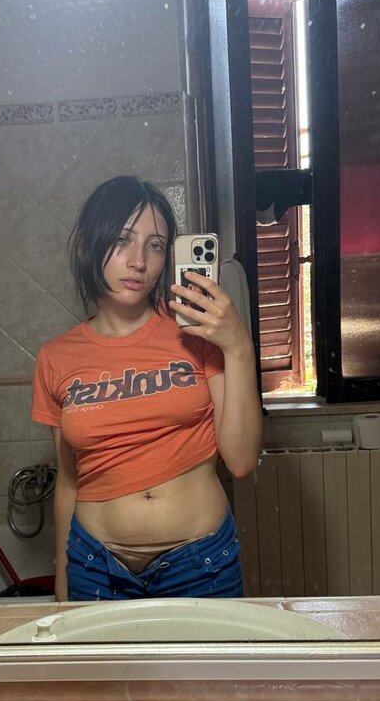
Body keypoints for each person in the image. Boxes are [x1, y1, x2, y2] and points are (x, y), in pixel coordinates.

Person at [31, 175, 263, 602]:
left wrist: (239, 346)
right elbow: (67, 482)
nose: (138, 261)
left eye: (155, 245)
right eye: (122, 240)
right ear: (89, 244)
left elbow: (242, 460)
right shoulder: (55, 358)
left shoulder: (197, 334)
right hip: (95, 568)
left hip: (200, 564)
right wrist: (62, 578)